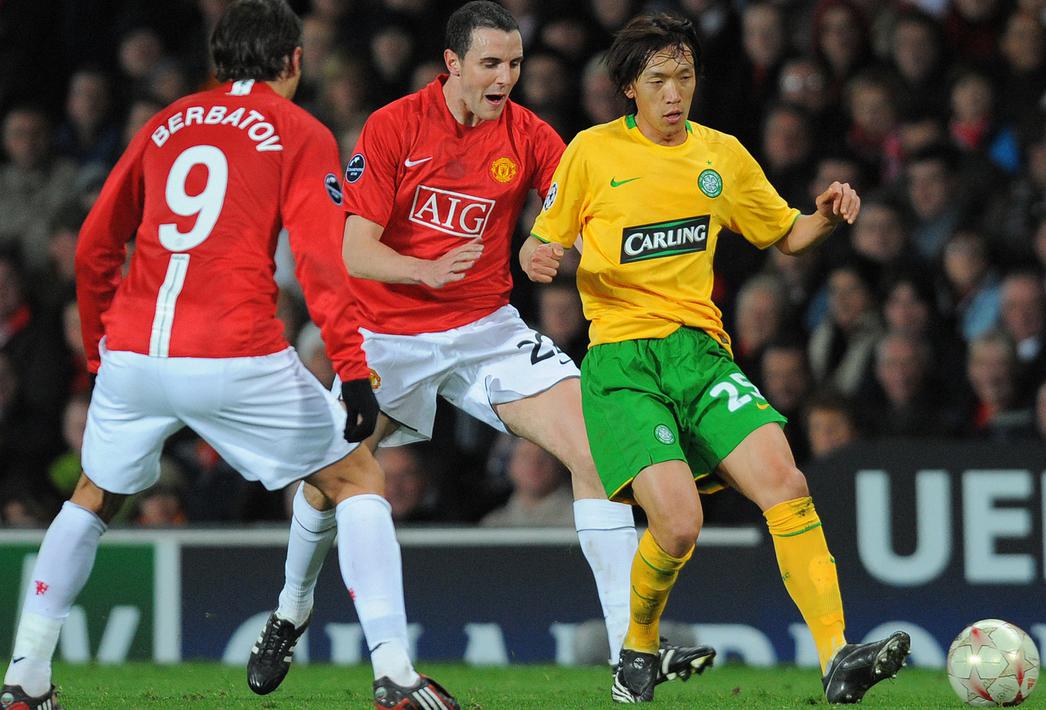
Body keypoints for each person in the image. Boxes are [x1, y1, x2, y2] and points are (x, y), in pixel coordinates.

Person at [1, 2, 459, 709]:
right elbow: (318, 259)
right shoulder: (300, 131)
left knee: (93, 496)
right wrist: (352, 368)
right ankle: (394, 672)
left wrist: (98, 357)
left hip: (136, 352)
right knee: (358, 477)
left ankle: (25, 675)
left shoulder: (165, 121)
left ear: (218, 64)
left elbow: (95, 244)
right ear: (294, 62)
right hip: (232, 351)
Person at [250, 1, 714, 697]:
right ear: (453, 65)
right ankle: (289, 612)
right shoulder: (393, 127)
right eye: (491, 64)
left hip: (485, 332)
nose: (505, 77)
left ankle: (629, 653)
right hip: (389, 335)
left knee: (601, 448)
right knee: (327, 482)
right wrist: (425, 271)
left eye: (516, 63)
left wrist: (613, 254)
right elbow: (356, 251)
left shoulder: (528, 134)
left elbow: (584, 215)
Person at [521, 13, 909, 704]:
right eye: (659, 80)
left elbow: (784, 234)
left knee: (786, 484)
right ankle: (636, 648)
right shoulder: (590, 152)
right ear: (628, 91)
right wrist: (537, 255)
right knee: (677, 524)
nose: (675, 94)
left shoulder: (720, 155)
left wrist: (825, 214)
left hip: (700, 354)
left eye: (685, 77)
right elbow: (539, 238)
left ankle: (836, 657)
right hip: (621, 363)